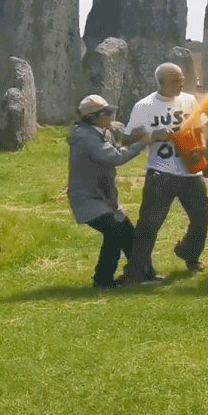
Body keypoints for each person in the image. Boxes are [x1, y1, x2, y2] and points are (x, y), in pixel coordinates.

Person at [122, 63, 208, 284]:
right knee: (149, 223)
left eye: (181, 79)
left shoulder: (189, 100)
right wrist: (154, 134)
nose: (181, 83)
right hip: (161, 173)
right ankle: (136, 272)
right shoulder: (144, 106)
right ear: (161, 83)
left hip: (191, 172)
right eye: (175, 81)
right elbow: (127, 138)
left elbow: (200, 128)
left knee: (202, 216)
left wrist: (201, 147)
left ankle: (189, 253)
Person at [66, 94, 151, 291]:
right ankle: (102, 280)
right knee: (114, 233)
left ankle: (142, 274)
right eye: (107, 113)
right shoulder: (86, 137)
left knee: (128, 233)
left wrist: (134, 136)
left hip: (102, 197)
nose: (111, 115)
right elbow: (115, 157)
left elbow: (117, 137)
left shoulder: (97, 131)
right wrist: (143, 142)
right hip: (87, 199)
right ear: (94, 118)